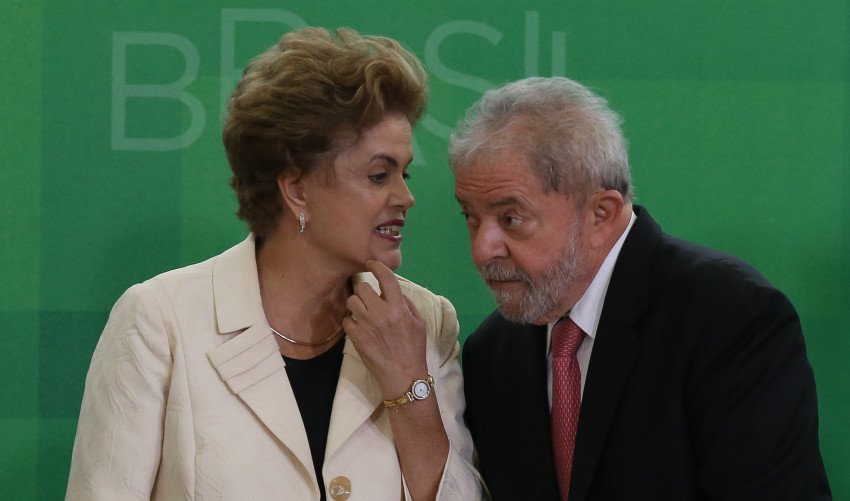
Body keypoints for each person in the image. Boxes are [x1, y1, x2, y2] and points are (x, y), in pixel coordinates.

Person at [67, 27, 484, 500]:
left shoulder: (426, 321)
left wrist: (410, 386)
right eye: (378, 175)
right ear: (296, 188)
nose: (405, 197)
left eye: (403, 174)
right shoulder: (160, 320)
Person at [451, 76, 831, 500]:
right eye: (470, 217)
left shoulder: (730, 317)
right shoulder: (491, 353)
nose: (483, 249)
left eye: (511, 218)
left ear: (601, 213)